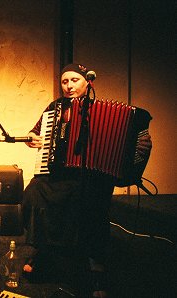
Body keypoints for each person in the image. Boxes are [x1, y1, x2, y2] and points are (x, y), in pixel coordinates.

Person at [21, 63, 152, 298]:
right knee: (34, 191)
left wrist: (139, 146)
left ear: (86, 82)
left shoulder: (101, 109)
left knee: (89, 197)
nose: (69, 86)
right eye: (64, 81)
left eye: (74, 80)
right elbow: (36, 132)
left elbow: (134, 136)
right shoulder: (55, 108)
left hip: (94, 175)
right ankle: (45, 249)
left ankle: (95, 262)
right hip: (60, 172)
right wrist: (33, 139)